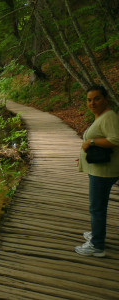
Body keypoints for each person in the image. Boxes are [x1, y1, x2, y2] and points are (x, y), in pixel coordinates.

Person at [75, 85, 119, 257]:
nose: (92, 103)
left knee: (97, 208)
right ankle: (96, 234)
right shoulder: (102, 116)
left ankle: (97, 245)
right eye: (89, 100)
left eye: (97, 98)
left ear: (105, 99)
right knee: (98, 207)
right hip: (99, 168)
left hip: (103, 172)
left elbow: (115, 140)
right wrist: (85, 155)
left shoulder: (109, 117)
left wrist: (90, 142)